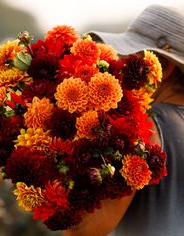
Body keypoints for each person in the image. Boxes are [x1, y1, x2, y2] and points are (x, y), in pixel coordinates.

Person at [63, 4, 184, 236]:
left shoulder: (143, 128)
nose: (118, 61)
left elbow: (85, 230)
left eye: (128, 55)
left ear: (164, 68)